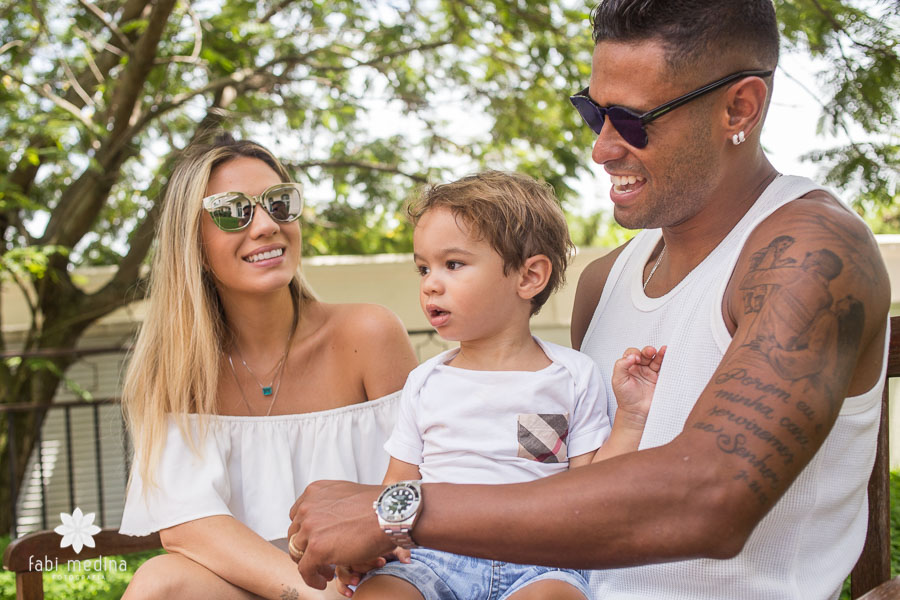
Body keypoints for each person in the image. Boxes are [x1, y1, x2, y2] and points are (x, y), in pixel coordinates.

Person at [286, 1, 891, 599]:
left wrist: (400, 507)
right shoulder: (607, 279)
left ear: (740, 107)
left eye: (631, 120)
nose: (601, 148)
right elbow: (570, 482)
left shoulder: (809, 251)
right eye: (593, 112)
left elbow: (712, 498)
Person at [118, 133, 418, 600]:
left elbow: (415, 488)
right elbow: (187, 528)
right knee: (159, 582)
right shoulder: (177, 369)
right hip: (271, 590)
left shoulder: (368, 335)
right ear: (191, 241)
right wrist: (310, 596)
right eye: (232, 211)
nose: (265, 225)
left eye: (279, 203)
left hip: (375, 582)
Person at [339, 171, 664, 600]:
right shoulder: (425, 381)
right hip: (430, 557)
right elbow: (399, 482)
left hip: (541, 561)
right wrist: (374, 543)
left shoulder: (572, 375)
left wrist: (632, 417)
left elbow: (593, 488)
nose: (430, 283)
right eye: (424, 268)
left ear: (529, 277)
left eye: (453, 264)